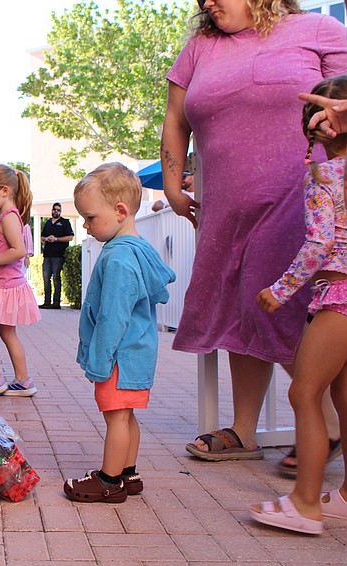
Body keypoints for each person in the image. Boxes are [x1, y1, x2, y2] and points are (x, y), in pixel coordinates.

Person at [160, 0, 347, 461]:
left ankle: (323, 424)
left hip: (307, 199)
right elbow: (175, 119)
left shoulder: (318, 30)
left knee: (293, 303)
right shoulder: (200, 46)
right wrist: (170, 185)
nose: (205, 2)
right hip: (226, 205)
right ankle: (245, 429)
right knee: (246, 301)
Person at [249, 76, 347, 535]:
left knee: (303, 393)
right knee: (344, 397)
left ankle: (306, 504)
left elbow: (320, 242)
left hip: (340, 295)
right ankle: (345, 497)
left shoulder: (324, 175)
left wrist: (281, 289)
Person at [63, 163, 175, 504]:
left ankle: (109, 480)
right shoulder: (140, 250)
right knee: (127, 415)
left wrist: (98, 360)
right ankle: (129, 473)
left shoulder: (118, 258)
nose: (85, 224)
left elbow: (112, 316)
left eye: (90, 217)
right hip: (137, 353)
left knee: (116, 417)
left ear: (120, 211)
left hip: (118, 356)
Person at [0, 164, 41, 397]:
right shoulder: (11, 216)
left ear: (4, 190)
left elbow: (18, 251)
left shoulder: (8, 218)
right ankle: (23, 381)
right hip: (8, 284)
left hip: (5, 287)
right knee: (7, 333)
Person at [39, 202, 74, 309]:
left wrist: (57, 239)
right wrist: (46, 239)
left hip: (58, 255)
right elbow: (42, 237)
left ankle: (56, 303)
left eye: (58, 210)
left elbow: (70, 237)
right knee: (46, 278)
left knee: (56, 278)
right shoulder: (48, 223)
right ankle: (47, 302)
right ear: (52, 210)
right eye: (54, 209)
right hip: (47, 255)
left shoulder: (65, 222)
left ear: (60, 211)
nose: (56, 211)